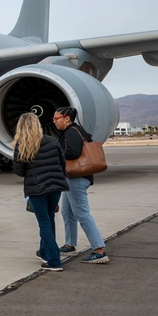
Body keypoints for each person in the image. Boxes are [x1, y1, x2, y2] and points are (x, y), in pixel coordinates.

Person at [13, 112, 70, 272]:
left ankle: (54, 261)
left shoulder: (22, 144)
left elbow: (19, 171)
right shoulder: (52, 141)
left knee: (44, 222)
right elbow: (62, 161)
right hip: (56, 185)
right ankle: (45, 252)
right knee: (50, 219)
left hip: (37, 188)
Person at [54, 106, 109, 264]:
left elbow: (73, 152)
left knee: (82, 214)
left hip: (76, 178)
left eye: (56, 119)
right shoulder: (74, 130)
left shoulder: (71, 131)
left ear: (66, 118)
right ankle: (70, 245)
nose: (54, 122)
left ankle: (99, 251)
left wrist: (55, 152)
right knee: (67, 212)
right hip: (73, 178)